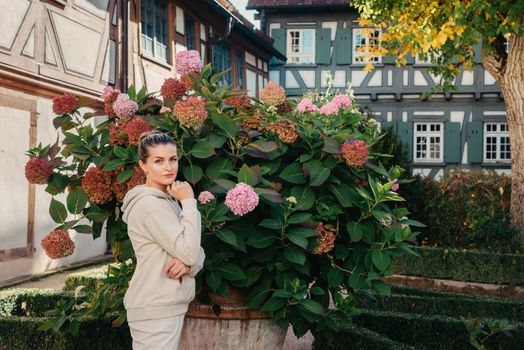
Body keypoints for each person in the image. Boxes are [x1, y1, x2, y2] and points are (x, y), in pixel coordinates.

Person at [122, 131, 205, 350]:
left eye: (172, 159)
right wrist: (189, 202)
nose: (168, 167)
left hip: (166, 305)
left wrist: (190, 264)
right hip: (154, 308)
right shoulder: (150, 205)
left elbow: (196, 249)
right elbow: (189, 250)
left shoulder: (168, 201)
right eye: (158, 161)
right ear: (143, 166)